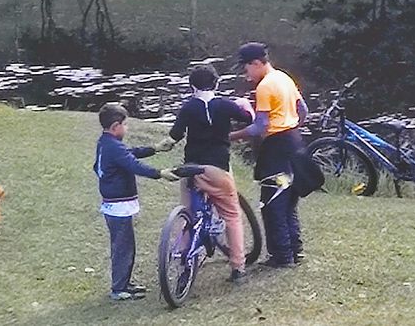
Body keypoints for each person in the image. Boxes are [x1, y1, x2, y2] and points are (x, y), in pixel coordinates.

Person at [154, 64, 254, 284]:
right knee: (231, 215)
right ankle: (238, 267)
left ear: (192, 87)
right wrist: (244, 104)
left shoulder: (188, 108)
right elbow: (249, 118)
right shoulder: (225, 105)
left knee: (188, 214)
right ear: (216, 83)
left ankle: (184, 260)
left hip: (191, 169)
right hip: (217, 168)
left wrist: (154, 149)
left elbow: (173, 139)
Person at [229, 42, 309, 268]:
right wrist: (292, 129)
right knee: (289, 199)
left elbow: (259, 127)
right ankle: (296, 250)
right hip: (294, 146)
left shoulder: (265, 87)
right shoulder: (284, 78)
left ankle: (282, 256)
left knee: (273, 201)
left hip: (276, 151)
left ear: (256, 63)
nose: (246, 75)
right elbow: (303, 110)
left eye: (245, 69)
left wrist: (230, 137)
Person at [93, 102, 178, 301]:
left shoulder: (106, 143)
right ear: (116, 126)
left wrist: (154, 149)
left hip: (114, 205)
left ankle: (124, 282)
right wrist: (160, 173)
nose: (127, 128)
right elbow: (133, 164)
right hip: (118, 206)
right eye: (125, 124)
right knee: (123, 247)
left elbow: (129, 153)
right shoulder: (113, 147)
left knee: (126, 245)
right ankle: (118, 289)